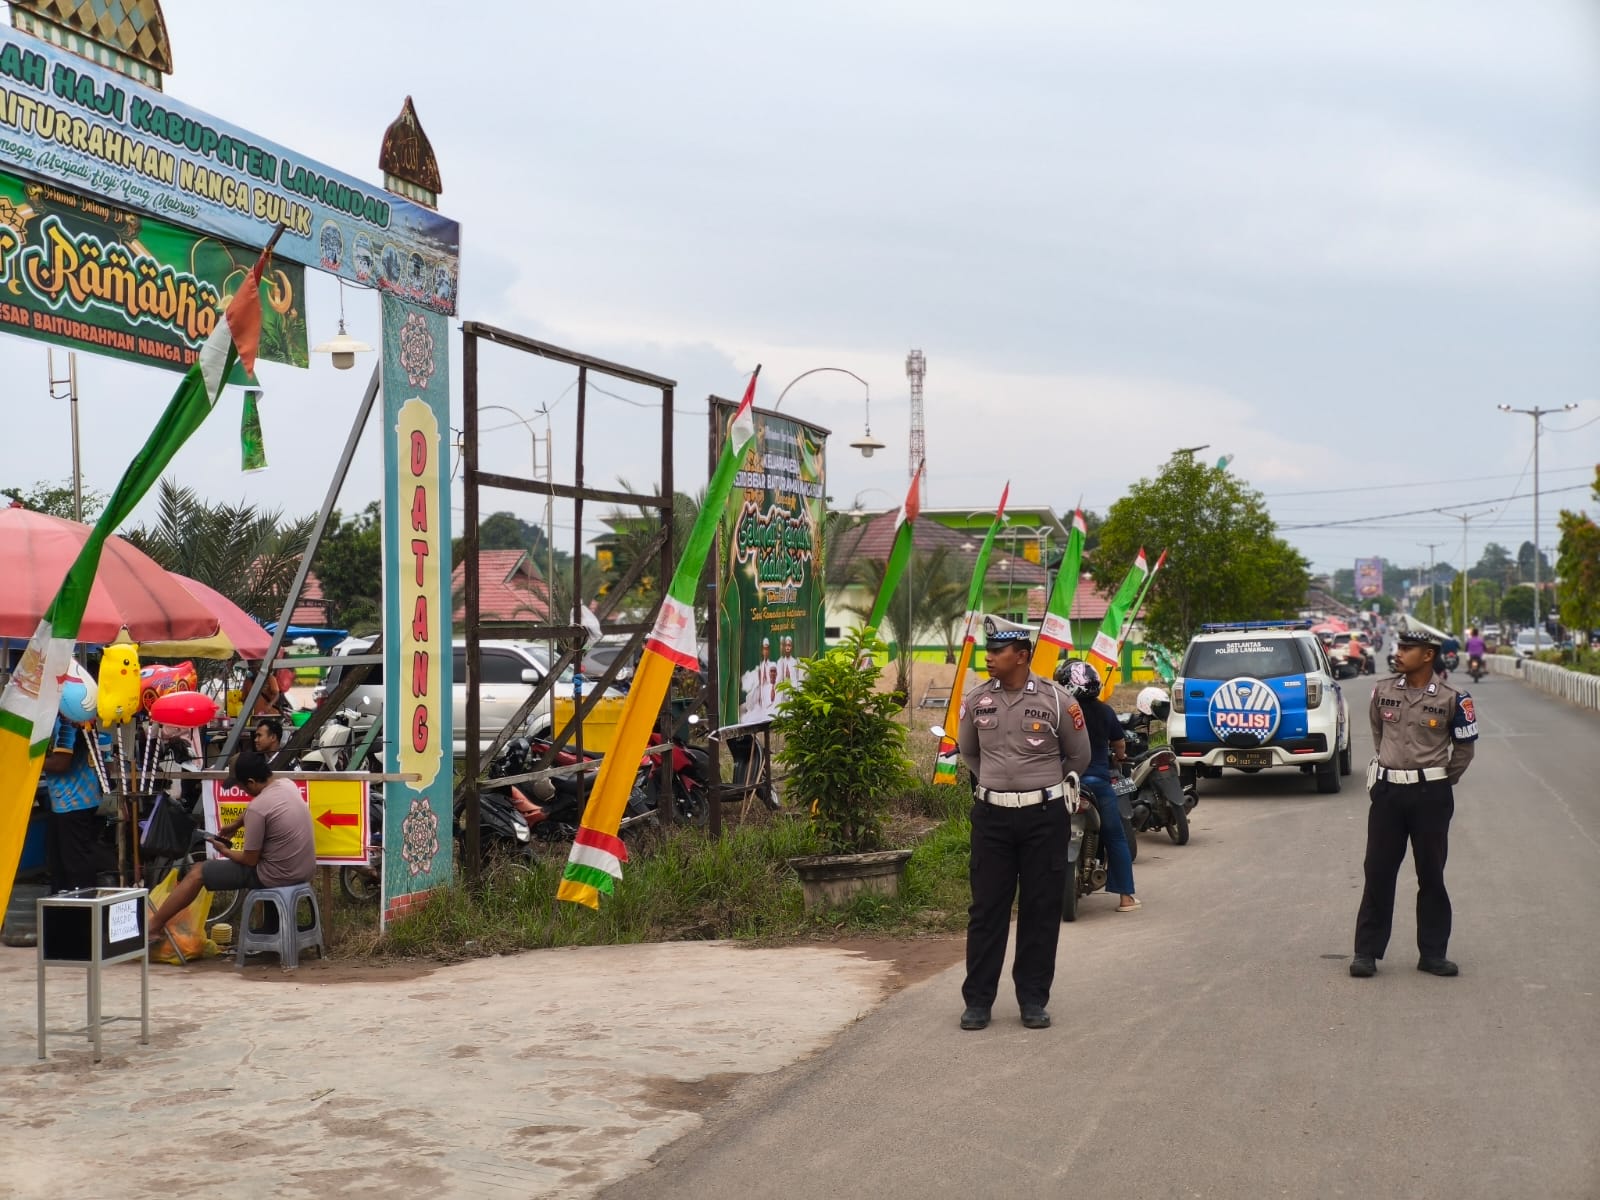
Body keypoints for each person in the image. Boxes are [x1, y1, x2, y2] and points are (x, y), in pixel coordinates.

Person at [956, 615, 1092, 1031]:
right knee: (987, 909)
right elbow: (969, 753)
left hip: (1043, 817)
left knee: (1040, 908)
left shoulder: (1058, 701)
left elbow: (1078, 757)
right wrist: (1000, 786)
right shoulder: (977, 700)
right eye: (989, 651)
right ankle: (978, 1001)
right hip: (992, 818)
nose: (990, 658)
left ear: (1022, 656)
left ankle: (1033, 999)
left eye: (997, 652)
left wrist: (1037, 788)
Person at [1351, 628, 1478, 979]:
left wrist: (1438, 779)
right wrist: (1391, 769)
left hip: (1431, 797)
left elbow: (1464, 751)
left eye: (1408, 648)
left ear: (1428, 655)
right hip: (1388, 794)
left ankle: (1433, 954)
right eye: (1399, 646)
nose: (1399, 652)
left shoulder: (1455, 698)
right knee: (1377, 871)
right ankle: (1366, 952)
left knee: (1431, 874)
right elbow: (1379, 733)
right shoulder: (1383, 690)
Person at [147, 750, 316, 947]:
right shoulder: (287, 785)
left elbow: (249, 860)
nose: (241, 790)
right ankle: (271, 930)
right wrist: (236, 824)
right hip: (304, 870)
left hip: (275, 875)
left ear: (251, 782)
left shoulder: (258, 808)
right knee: (264, 859)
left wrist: (224, 851)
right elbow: (258, 809)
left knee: (198, 872)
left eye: (240, 786)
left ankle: (153, 927)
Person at [1058, 658, 1138, 912]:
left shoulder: (1060, 712)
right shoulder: (1105, 711)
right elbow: (1119, 744)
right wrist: (1119, 756)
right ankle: (1125, 898)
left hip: (1063, 784)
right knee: (1115, 836)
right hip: (1098, 784)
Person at [41, 713, 102, 893]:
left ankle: (79, 910)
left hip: (72, 801)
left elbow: (61, 763)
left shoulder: (66, 720)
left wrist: (28, 761)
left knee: (74, 865)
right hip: (74, 799)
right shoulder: (79, 715)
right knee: (64, 861)